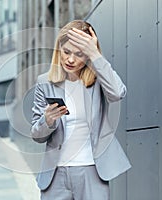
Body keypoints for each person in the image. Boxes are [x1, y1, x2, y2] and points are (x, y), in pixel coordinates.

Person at [31, 20, 131, 200]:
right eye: (66, 52)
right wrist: (47, 121)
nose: (70, 59)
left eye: (80, 54)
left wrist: (96, 55)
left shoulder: (98, 80)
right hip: (55, 175)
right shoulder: (44, 83)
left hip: (91, 170)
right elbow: (37, 136)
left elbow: (117, 93)